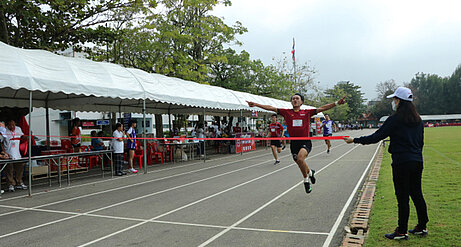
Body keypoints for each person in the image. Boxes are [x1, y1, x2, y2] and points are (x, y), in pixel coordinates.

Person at [344, 87, 428, 240]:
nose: (393, 102)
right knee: (417, 194)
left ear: (399, 101)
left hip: (402, 162)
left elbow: (377, 136)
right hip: (417, 161)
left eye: (394, 99)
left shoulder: (395, 119)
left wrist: (355, 140)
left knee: (402, 197)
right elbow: (420, 142)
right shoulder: (418, 120)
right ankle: (422, 226)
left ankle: (402, 231)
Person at [247, 93, 346, 193]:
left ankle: (306, 180)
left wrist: (337, 103)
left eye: (297, 99)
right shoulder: (287, 112)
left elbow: (323, 108)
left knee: (300, 158)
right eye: (293, 99)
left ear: (301, 102)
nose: (295, 100)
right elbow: (271, 108)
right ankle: (310, 172)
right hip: (294, 143)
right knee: (300, 162)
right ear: (291, 102)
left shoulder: (307, 112)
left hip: (305, 141)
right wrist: (256, 104)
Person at [3, 120, 27, 192]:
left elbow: (22, 136)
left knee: (20, 167)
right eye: (10, 125)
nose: (12, 127)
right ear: (7, 125)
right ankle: (11, 184)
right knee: (9, 169)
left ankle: (19, 182)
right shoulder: (4, 131)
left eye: (13, 125)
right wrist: (4, 152)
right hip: (8, 153)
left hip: (17, 154)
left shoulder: (18, 129)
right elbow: (1, 142)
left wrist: (26, 137)